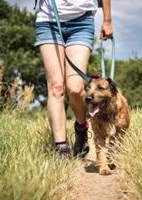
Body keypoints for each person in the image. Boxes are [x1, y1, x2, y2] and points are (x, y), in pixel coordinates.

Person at [35, 0, 113, 158]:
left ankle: (81, 128)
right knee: (56, 87)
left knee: (75, 88)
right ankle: (61, 148)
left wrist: (107, 20)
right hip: (48, 21)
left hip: (81, 21)